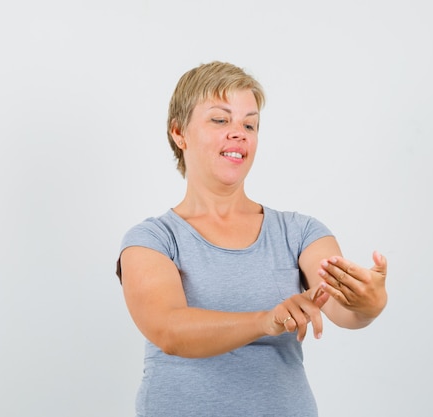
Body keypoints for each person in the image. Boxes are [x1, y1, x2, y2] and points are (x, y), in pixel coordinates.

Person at [116, 61, 388, 417]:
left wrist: (367, 304)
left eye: (249, 124)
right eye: (220, 119)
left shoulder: (300, 232)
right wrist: (266, 320)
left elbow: (341, 308)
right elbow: (169, 330)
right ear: (179, 132)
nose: (239, 132)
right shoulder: (151, 239)